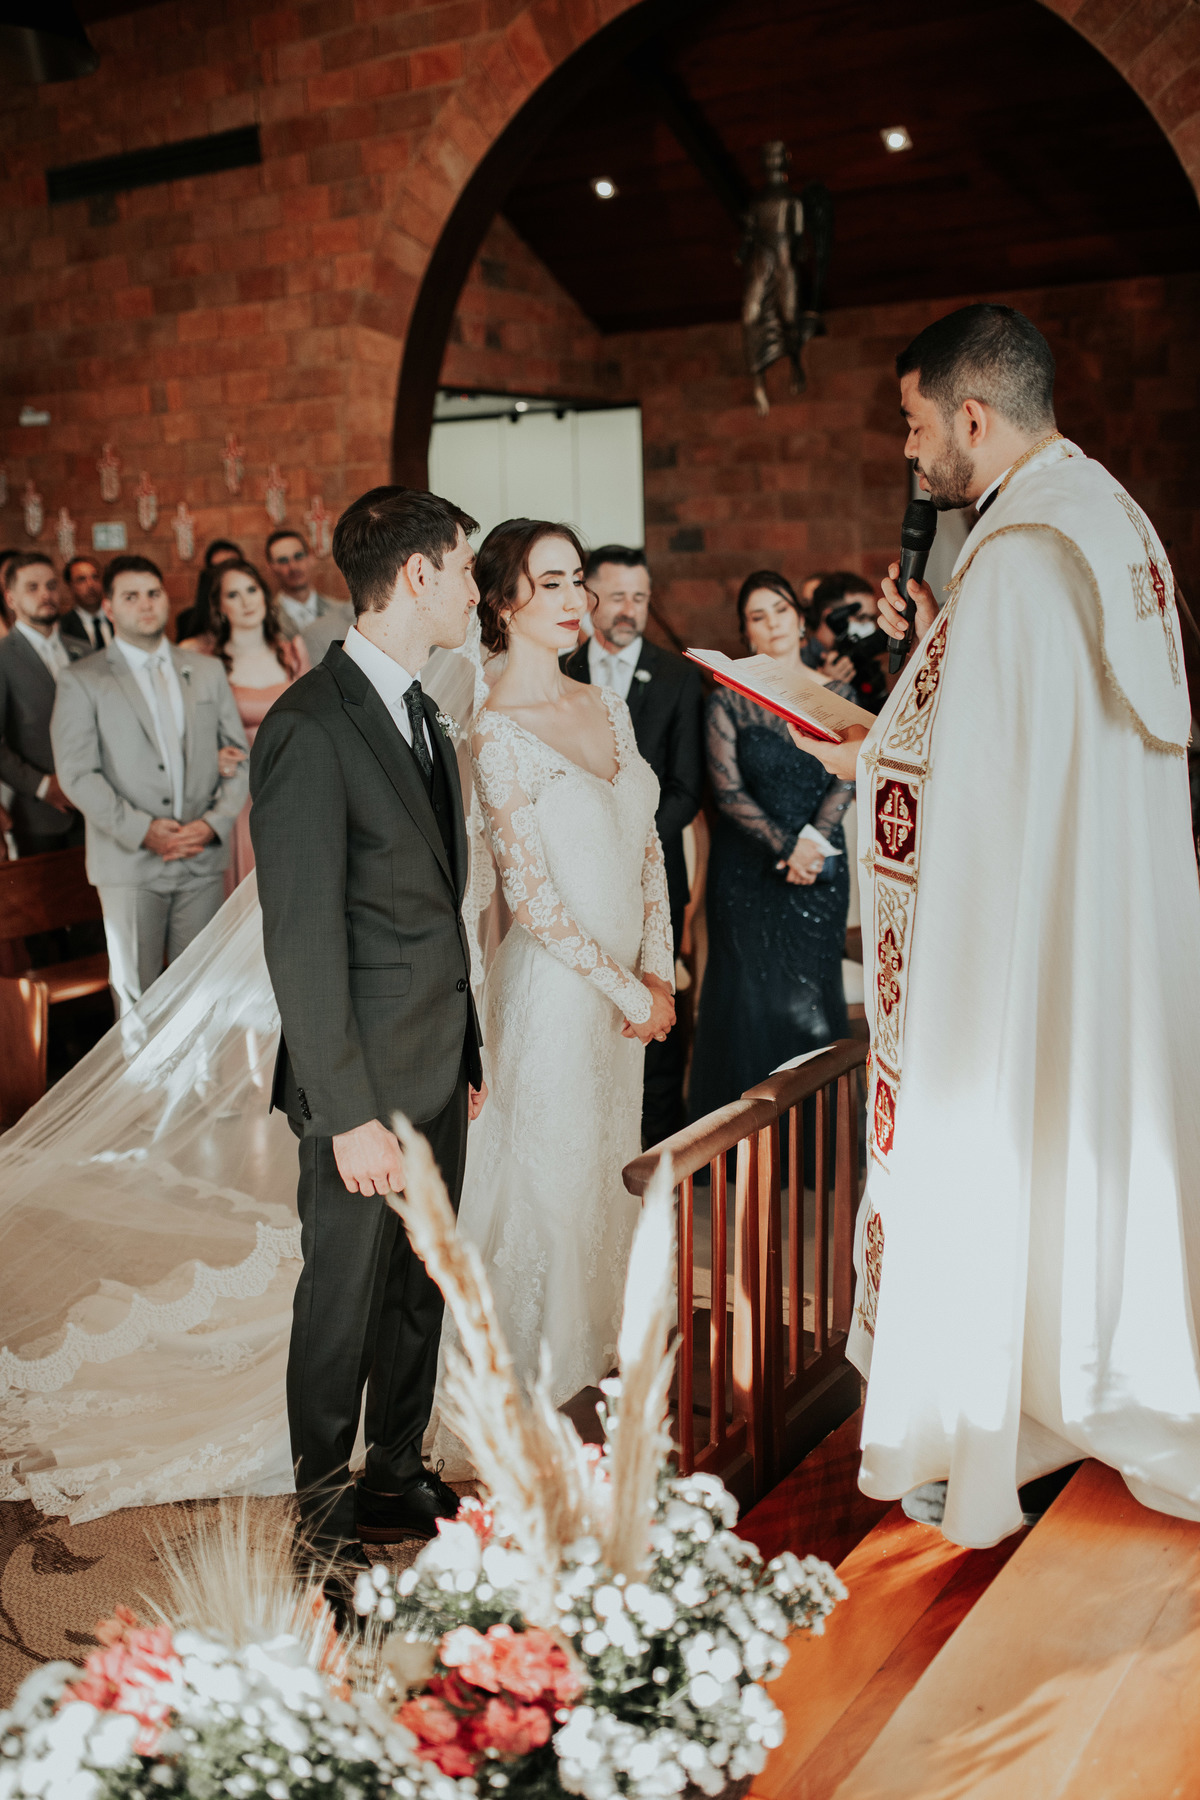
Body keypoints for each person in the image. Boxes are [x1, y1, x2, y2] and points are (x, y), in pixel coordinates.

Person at [799, 302, 1200, 1548]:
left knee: (1000, 1145)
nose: (909, 452)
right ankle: (1062, 1396)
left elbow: (958, 783)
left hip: (1027, 928)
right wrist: (929, 672)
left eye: (915, 425)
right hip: (1100, 916)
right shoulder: (1103, 518)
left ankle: (1001, 1424)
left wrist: (863, 757)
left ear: (971, 416)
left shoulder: (1024, 552)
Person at [251, 487, 486, 1574]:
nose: (476, 591)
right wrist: (346, 1114)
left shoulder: (424, 711)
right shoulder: (309, 725)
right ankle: (319, 1514)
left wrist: (466, 1049)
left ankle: (393, 1472)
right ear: (420, 575)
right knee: (341, 1300)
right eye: (467, 569)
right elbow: (302, 940)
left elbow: (430, 905)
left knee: (417, 1284)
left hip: (436, 1059)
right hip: (359, 1078)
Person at [448, 518, 674, 1430]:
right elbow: (532, 900)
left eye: (577, 578)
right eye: (552, 583)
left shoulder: (608, 707)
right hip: (554, 997)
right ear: (502, 603)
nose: (577, 598)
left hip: (627, 1003)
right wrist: (627, 991)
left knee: (607, 1179)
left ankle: (604, 1363)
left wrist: (659, 972)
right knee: (555, 1188)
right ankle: (540, 1392)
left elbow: (647, 846)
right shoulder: (494, 732)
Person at [51, 554, 249, 1015]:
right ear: (109, 607)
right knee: (137, 1000)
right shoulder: (83, 679)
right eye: (131, 596)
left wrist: (213, 824)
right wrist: (143, 830)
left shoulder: (205, 670)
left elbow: (238, 758)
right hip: (130, 862)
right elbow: (77, 773)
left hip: (199, 857)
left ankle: (199, 1069)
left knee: (201, 993)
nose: (145, 604)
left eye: (153, 593)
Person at [689, 569, 852, 1120]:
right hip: (747, 873)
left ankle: (814, 1143)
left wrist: (812, 842)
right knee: (746, 1006)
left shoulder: (839, 696)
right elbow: (728, 792)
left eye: (780, 610)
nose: (773, 623)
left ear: (800, 619)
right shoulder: (726, 703)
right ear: (746, 633)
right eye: (758, 617)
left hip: (819, 870)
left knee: (812, 1002)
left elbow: (848, 777)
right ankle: (739, 1146)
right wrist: (787, 846)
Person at [562, 545, 702, 1144]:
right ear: (589, 597)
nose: (629, 609)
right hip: (573, 878)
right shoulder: (560, 670)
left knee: (658, 1011)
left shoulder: (677, 676)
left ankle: (659, 1154)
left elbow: (687, 788)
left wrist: (625, 844)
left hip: (655, 874)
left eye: (640, 598)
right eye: (617, 596)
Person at [205, 558, 308, 894]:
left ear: (264, 595)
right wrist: (213, 758)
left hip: (294, 785)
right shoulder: (210, 664)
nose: (246, 601)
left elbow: (315, 720)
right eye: (233, 595)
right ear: (219, 607)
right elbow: (195, 734)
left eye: (251, 590)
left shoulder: (293, 653)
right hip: (243, 793)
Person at [0, 553, 88, 856]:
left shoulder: (84, 650)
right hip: (38, 815)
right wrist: (43, 786)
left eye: (51, 585)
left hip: (93, 807)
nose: (45, 594)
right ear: (10, 598)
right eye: (32, 587)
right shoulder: (3, 657)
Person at [266, 527, 353, 663]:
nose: (293, 567)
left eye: (298, 556)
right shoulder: (266, 620)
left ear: (310, 557)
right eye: (283, 560)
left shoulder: (341, 610)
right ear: (271, 567)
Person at [174, 540, 243, 647]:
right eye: (218, 569)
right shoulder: (188, 620)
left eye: (232, 566)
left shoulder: (254, 613)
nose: (225, 574)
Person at [59, 555, 113, 653]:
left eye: (95, 577)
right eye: (82, 579)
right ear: (70, 587)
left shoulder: (118, 618)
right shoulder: (62, 627)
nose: (91, 585)